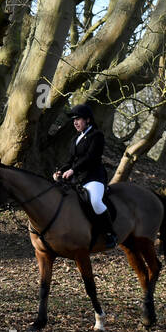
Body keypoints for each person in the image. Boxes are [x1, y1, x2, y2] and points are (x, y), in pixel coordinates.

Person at [52, 103, 117, 249]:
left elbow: (91, 157)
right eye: (74, 119)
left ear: (87, 120)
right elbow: (70, 160)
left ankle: (110, 233)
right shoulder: (76, 139)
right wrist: (61, 171)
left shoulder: (97, 135)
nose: (75, 122)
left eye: (79, 119)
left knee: (95, 201)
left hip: (94, 177)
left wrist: (73, 170)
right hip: (77, 178)